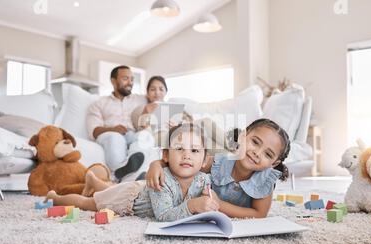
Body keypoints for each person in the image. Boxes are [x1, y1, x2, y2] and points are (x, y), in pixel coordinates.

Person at [45, 123, 219, 222]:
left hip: (137, 187)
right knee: (89, 202)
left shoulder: (203, 180)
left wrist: (209, 202)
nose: (187, 155)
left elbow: (204, 201)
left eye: (195, 151)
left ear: (205, 161)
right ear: (165, 155)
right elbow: (164, 215)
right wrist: (193, 205)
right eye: (179, 148)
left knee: (108, 189)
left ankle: (93, 181)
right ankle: (56, 198)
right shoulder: (163, 180)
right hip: (127, 199)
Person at [146, 118, 291, 219]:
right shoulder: (218, 162)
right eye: (255, 142)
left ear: (274, 163)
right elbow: (188, 162)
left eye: (268, 154)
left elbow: (259, 214)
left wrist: (219, 205)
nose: (257, 153)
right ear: (242, 136)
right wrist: (157, 164)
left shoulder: (265, 181)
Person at [86, 66, 149, 182]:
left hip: (132, 134)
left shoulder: (140, 100)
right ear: (113, 81)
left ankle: (129, 171)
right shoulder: (99, 103)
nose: (130, 82)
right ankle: (118, 173)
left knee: (145, 136)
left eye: (132, 79)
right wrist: (113, 129)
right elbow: (93, 131)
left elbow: (158, 100)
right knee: (116, 138)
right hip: (110, 135)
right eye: (125, 78)